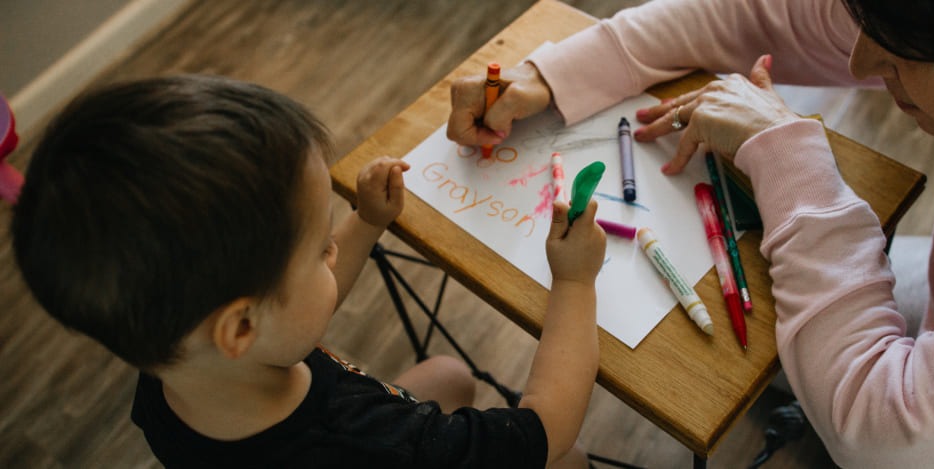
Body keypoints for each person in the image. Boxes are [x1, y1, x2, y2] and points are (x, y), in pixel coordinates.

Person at [446, 0, 934, 467]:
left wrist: (789, 157)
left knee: (799, 373)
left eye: (899, 47)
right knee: (779, 355)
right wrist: (549, 76)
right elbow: (754, 14)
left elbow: (878, 430)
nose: (859, 60)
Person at [11, 74, 607, 468]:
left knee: (449, 374)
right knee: (573, 459)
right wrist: (576, 282)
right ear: (239, 328)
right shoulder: (370, 440)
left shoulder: (172, 361)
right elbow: (546, 427)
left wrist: (365, 222)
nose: (333, 252)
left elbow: (288, 313)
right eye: (322, 247)